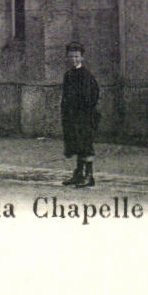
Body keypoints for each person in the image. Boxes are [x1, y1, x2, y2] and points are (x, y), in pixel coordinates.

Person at [60, 41, 100, 187]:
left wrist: (85, 110)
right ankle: (78, 173)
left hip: (84, 116)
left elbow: (93, 95)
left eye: (76, 56)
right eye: (71, 56)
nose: (74, 59)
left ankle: (89, 176)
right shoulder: (68, 75)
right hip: (72, 116)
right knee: (77, 144)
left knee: (86, 144)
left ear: (82, 58)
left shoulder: (86, 75)